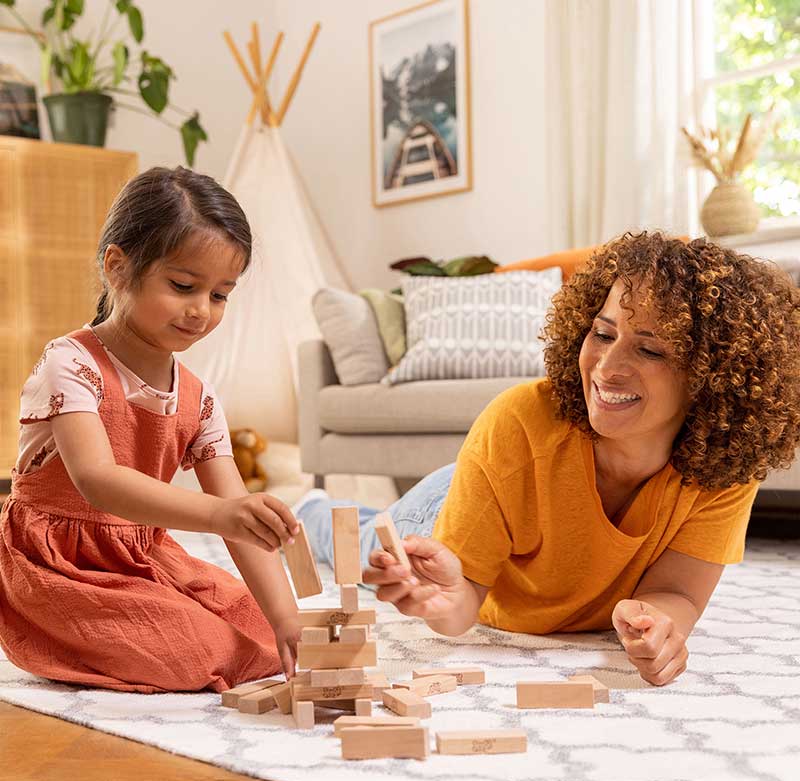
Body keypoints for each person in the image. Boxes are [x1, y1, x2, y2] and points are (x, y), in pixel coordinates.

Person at [298, 232, 800, 686]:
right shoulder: (518, 422)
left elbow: (678, 593)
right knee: (369, 549)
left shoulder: (723, 464)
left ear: (711, 377)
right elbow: (458, 599)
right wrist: (445, 600)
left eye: (649, 351)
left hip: (509, 484)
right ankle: (309, 509)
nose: (607, 366)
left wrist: (659, 625)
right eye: (603, 334)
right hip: (455, 498)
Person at [0, 167, 302, 693]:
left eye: (220, 295)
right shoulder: (70, 363)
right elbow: (98, 479)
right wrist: (219, 514)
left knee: (253, 629)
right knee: (191, 652)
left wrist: (287, 620)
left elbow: (237, 517)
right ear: (117, 267)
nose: (201, 311)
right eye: (183, 286)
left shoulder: (199, 397)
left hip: (141, 556)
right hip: (59, 563)